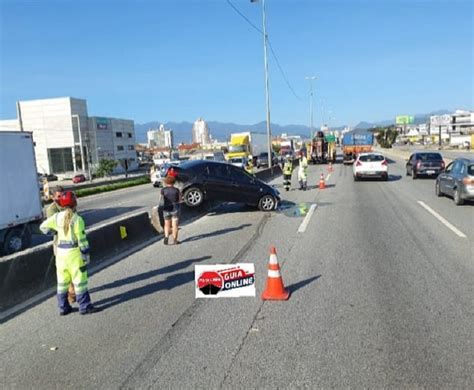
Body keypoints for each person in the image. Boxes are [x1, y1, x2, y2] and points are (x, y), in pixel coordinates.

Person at [40, 191, 100, 315]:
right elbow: (82, 241)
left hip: (61, 254)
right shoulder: (77, 219)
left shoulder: (57, 217)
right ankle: (85, 306)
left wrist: (55, 232)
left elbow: (43, 227)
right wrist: (86, 255)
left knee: (62, 282)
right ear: (75, 203)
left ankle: (63, 308)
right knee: (80, 281)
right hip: (74, 254)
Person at [46, 186, 76, 305]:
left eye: (62, 195)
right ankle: (70, 294)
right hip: (60, 244)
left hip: (72, 242)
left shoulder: (69, 203)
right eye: (58, 196)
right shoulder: (51, 210)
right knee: (64, 271)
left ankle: (74, 290)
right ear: (53, 198)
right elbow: (51, 229)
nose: (61, 198)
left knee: (74, 268)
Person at [160, 175, 182, 245]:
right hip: (175, 209)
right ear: (174, 182)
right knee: (174, 225)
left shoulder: (163, 190)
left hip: (166, 209)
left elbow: (160, 199)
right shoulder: (176, 190)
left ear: (166, 182)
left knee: (166, 224)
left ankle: (166, 236)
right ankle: (175, 240)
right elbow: (180, 200)